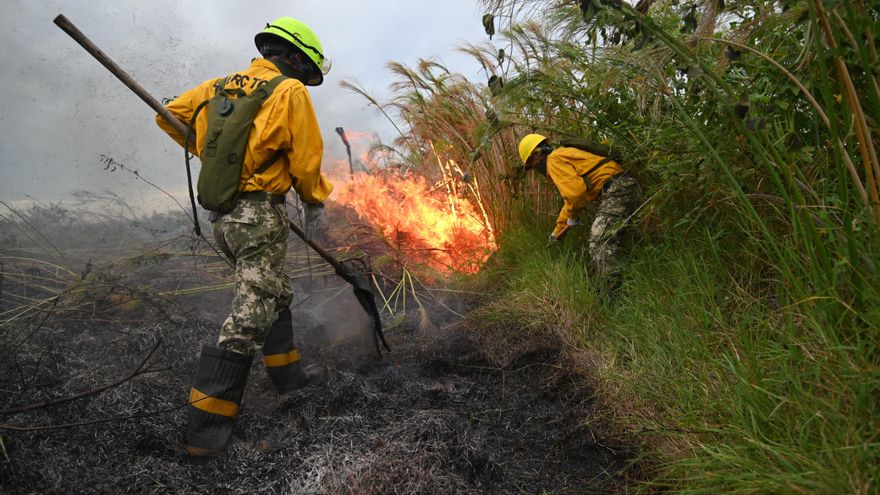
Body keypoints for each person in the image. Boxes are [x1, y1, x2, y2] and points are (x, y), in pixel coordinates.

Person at [156, 17, 333, 457]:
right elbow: (306, 156)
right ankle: (205, 434)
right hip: (257, 216)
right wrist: (314, 200)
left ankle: (289, 381)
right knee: (250, 315)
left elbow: (170, 117)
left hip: (224, 217)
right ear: (293, 58)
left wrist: (218, 155)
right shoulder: (288, 91)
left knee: (274, 293)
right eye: (305, 70)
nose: (304, 80)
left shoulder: (216, 87)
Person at [517, 133, 641, 280]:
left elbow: (576, 194)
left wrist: (573, 215)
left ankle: (618, 290)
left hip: (617, 191)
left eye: (531, 166)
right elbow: (570, 201)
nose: (534, 169)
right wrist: (556, 232)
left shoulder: (554, 160)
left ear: (535, 156)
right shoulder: (561, 154)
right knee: (616, 240)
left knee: (599, 243)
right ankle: (616, 279)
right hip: (625, 186)